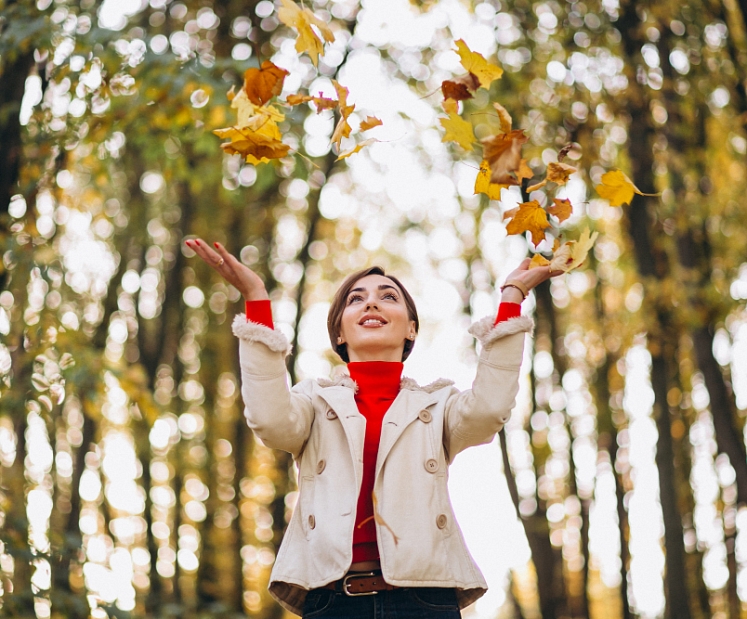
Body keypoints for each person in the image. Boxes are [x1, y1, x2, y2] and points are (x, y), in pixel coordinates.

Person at [186, 238, 555, 618]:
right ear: (340, 333)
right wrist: (256, 296)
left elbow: (489, 410)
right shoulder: (314, 401)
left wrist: (512, 296)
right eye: (355, 298)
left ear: (411, 329)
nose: (371, 303)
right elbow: (271, 421)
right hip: (332, 601)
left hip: (425, 601)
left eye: (388, 296)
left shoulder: (438, 405)